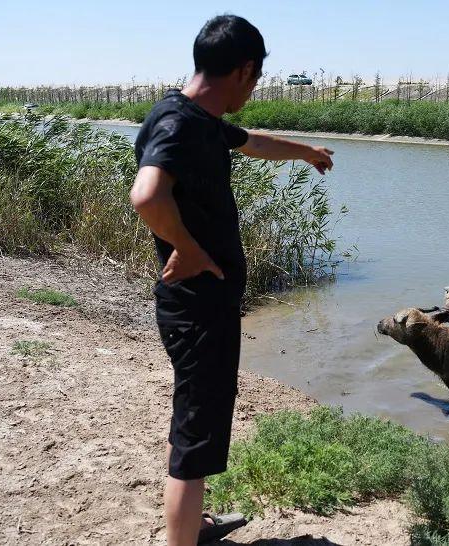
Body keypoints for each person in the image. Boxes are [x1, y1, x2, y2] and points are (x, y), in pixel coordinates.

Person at [130, 15, 333, 545]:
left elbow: (252, 143)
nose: (255, 88)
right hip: (197, 304)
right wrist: (189, 249)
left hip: (202, 303)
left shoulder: (196, 118)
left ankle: (194, 524)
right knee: (196, 432)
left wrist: (307, 152)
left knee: (199, 414)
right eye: (258, 78)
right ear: (245, 70)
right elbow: (147, 195)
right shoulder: (178, 123)